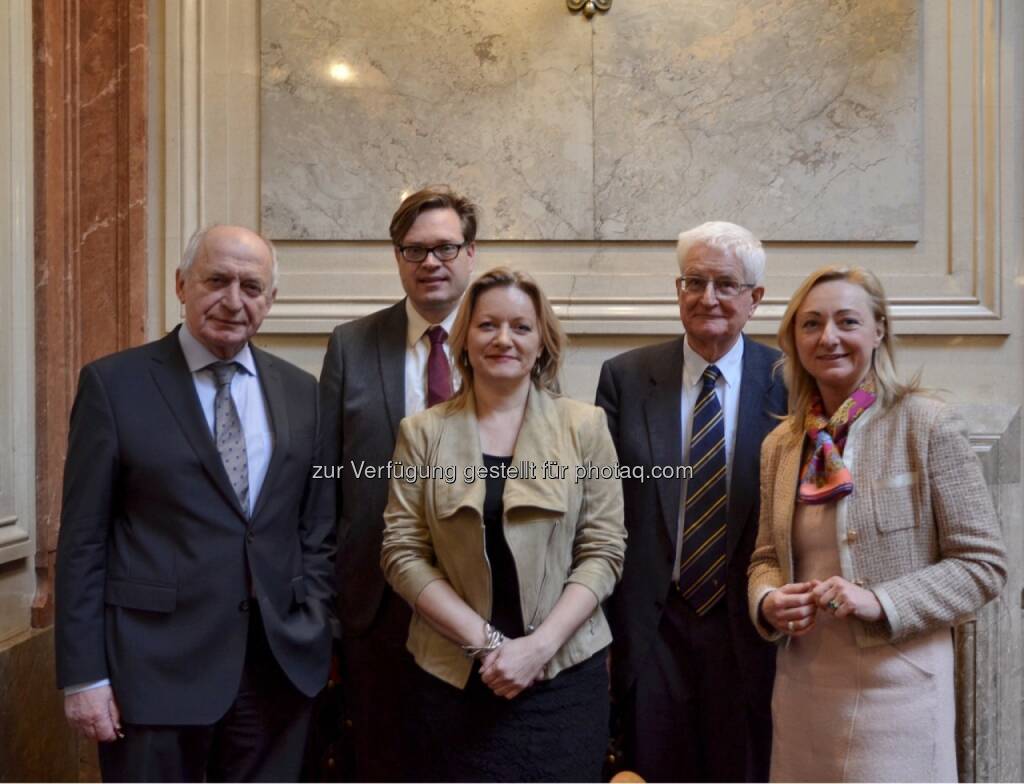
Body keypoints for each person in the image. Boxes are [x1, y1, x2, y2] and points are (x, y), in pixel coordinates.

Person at [54, 225, 334, 781]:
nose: (234, 301)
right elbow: (83, 541)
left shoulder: (305, 393)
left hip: (275, 671)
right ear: (181, 285)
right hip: (152, 673)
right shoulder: (114, 385)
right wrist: (84, 678)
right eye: (217, 280)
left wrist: (316, 624)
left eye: (252, 287)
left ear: (271, 301)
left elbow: (317, 529)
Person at [748, 265, 1007, 782]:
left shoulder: (927, 423)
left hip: (901, 695)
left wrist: (881, 600)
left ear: (879, 330)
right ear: (794, 338)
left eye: (847, 321)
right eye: (812, 323)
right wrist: (768, 600)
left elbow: (983, 565)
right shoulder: (780, 445)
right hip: (803, 694)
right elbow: (766, 559)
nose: (829, 337)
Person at [380, 267, 627, 782]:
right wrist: (491, 647)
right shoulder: (421, 433)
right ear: (465, 339)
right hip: (453, 679)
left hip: (563, 677)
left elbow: (603, 550)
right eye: (488, 325)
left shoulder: (586, 428)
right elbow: (401, 553)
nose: (503, 339)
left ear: (542, 343)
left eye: (521, 326)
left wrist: (537, 648)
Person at [596, 221, 785, 782]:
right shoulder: (625, 378)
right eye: (694, 282)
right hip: (652, 626)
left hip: (751, 625)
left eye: (725, 284)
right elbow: (598, 507)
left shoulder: (788, 380)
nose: (708, 298)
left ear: (755, 299)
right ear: (677, 290)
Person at [318, 186, 477, 780]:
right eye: (414, 251)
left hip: (480, 597)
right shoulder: (351, 345)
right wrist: (330, 610)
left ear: (470, 254)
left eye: (444, 248)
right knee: (382, 761)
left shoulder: (509, 335)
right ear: (398, 259)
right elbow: (326, 484)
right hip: (375, 605)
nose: (430, 262)